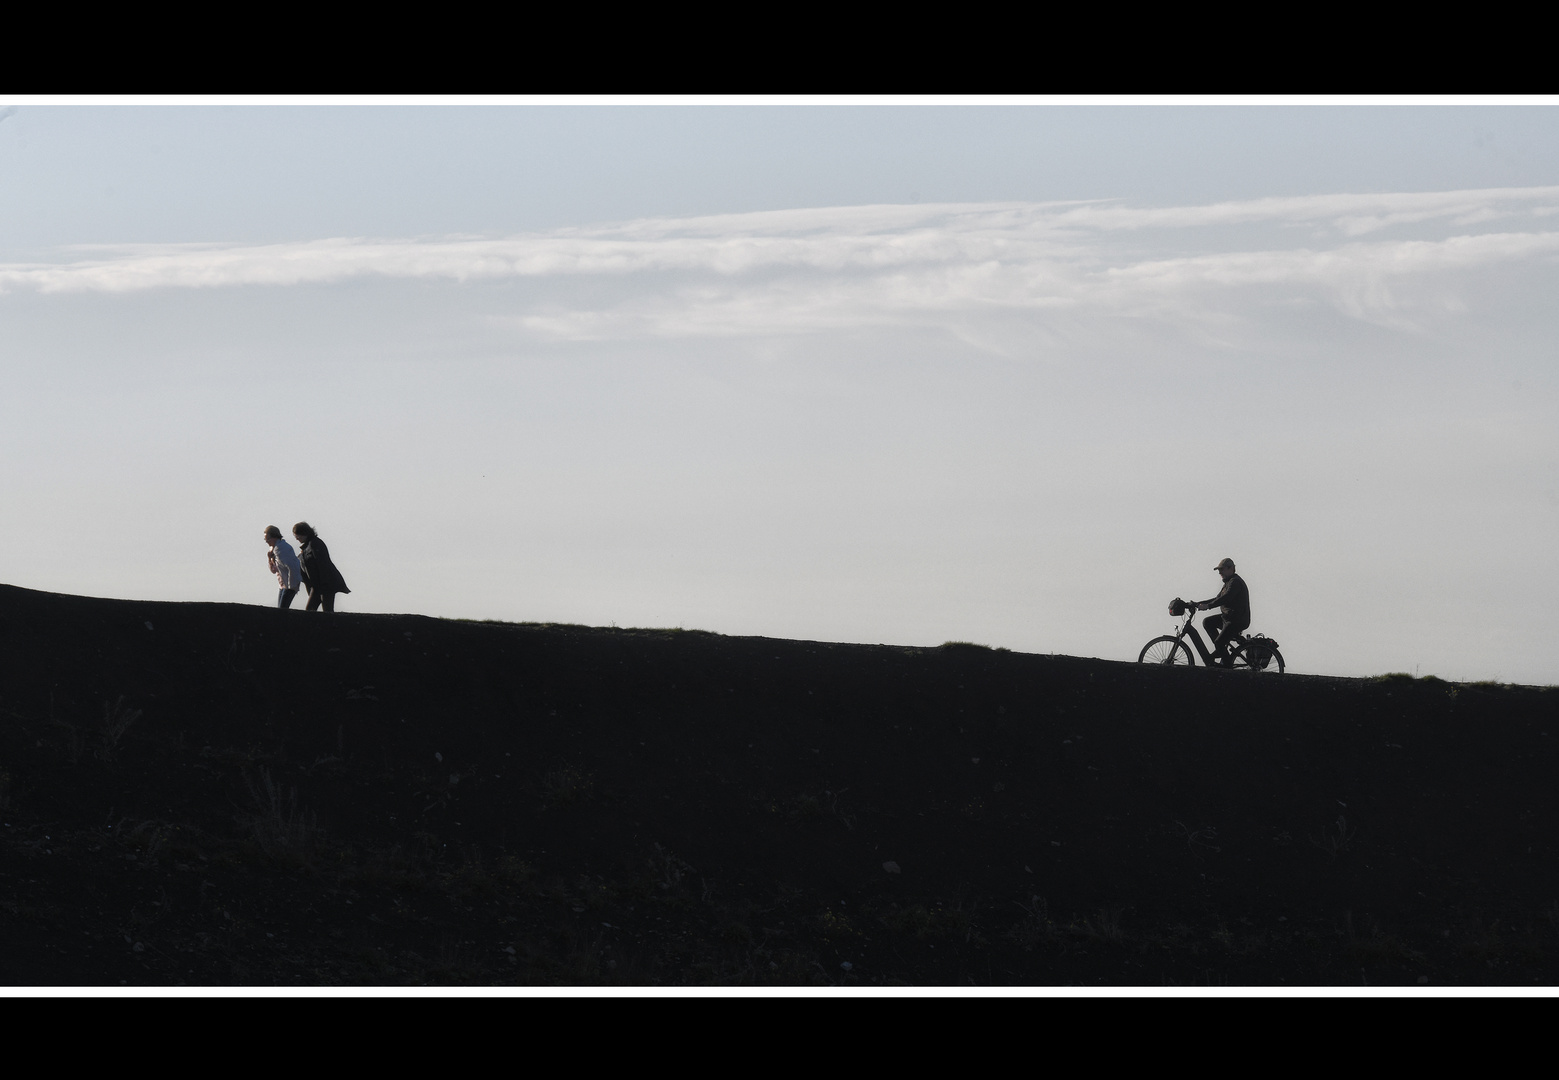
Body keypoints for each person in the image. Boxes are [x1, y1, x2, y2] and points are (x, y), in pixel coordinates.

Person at [1194, 557, 1250, 667]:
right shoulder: (1228, 583)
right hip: (1228, 618)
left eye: (1222, 570)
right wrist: (1197, 603)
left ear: (1231, 568)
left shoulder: (1235, 582)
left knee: (1219, 643)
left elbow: (1226, 598)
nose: (1219, 572)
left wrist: (1208, 606)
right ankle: (1221, 651)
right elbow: (1217, 598)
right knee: (1208, 622)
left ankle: (1227, 669)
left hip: (1236, 620)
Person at [293, 521, 351, 613]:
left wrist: (323, 583)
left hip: (324, 584)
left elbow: (323, 564)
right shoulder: (308, 546)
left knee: (318, 610)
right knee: (322, 610)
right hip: (318, 585)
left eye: (297, 535)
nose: (296, 538)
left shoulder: (314, 544)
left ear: (304, 533)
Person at [264, 525, 303, 609]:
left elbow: (292, 567)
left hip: (289, 585)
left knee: (282, 610)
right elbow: (274, 570)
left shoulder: (282, 549)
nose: (266, 542)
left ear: (275, 537)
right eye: (265, 540)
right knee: (280, 610)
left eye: (268, 539)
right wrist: (269, 559)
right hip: (282, 585)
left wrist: (290, 586)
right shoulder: (273, 549)